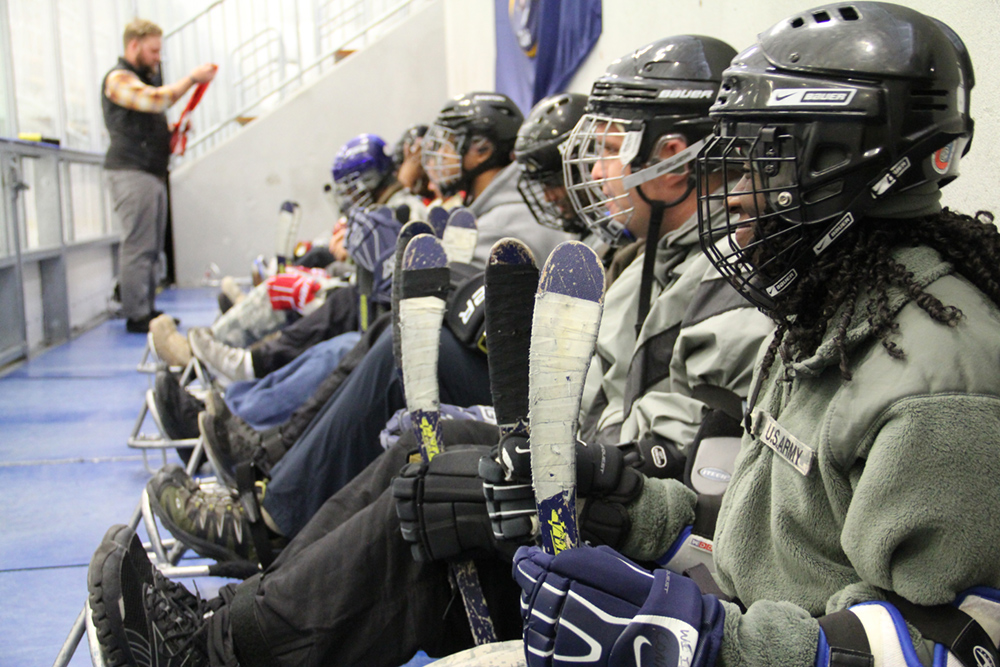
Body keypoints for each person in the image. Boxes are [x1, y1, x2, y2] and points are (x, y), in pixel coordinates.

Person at [511, 5, 1000, 667]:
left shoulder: (938, 381)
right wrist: (629, 507)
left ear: (840, 161)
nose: (732, 193)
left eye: (756, 163)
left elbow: (950, 642)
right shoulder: (826, 309)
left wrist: (714, 647)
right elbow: (771, 553)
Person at [144, 91, 569, 559]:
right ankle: (264, 452)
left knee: (384, 345)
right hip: (534, 385)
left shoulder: (515, 214)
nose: (435, 155)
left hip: (552, 409)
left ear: (484, 150)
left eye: (450, 143)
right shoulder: (489, 205)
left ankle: (267, 505)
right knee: (373, 334)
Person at [103, 18, 217, 333]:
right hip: (130, 171)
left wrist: (171, 132)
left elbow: (146, 118)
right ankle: (136, 312)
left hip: (150, 170)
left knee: (152, 245)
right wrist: (192, 79)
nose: (157, 58)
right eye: (153, 51)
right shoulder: (118, 79)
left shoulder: (141, 79)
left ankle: (147, 308)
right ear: (134, 45)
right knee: (138, 244)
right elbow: (156, 101)